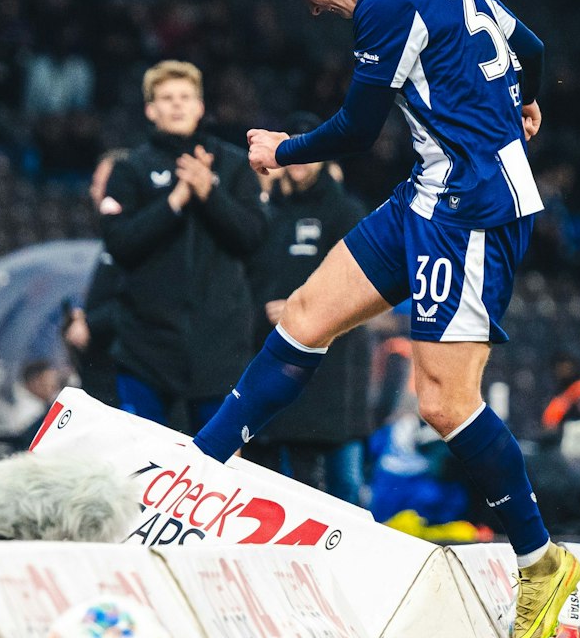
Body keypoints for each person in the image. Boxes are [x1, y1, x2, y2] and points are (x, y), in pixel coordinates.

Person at [187, 0, 573, 638]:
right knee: (304, 313)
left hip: (471, 208)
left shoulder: (387, 3)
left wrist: (280, 148)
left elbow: (356, 132)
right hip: (429, 191)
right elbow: (529, 43)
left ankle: (541, 562)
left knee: (444, 402)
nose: (311, 7)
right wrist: (527, 95)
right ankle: (194, 471)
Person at [100, 62, 265, 433]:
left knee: (220, 468)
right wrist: (175, 200)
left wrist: (210, 195)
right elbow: (120, 243)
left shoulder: (234, 165)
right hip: (146, 350)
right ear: (150, 109)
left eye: (186, 97)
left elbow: (253, 237)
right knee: (142, 465)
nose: (177, 105)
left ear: (200, 106)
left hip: (220, 348)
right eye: (166, 98)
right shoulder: (130, 169)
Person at [241, 113, 372, 503]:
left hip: (329, 364)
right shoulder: (269, 211)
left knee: (333, 482)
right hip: (271, 354)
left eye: (305, 150)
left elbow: (359, 282)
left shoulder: (344, 211)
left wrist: (303, 307)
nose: (297, 161)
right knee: (270, 473)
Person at [63, 149, 127, 404]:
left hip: (125, 371)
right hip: (101, 368)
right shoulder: (115, 237)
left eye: (101, 183)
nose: (93, 191)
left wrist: (91, 324)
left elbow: (142, 297)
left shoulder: (142, 238)